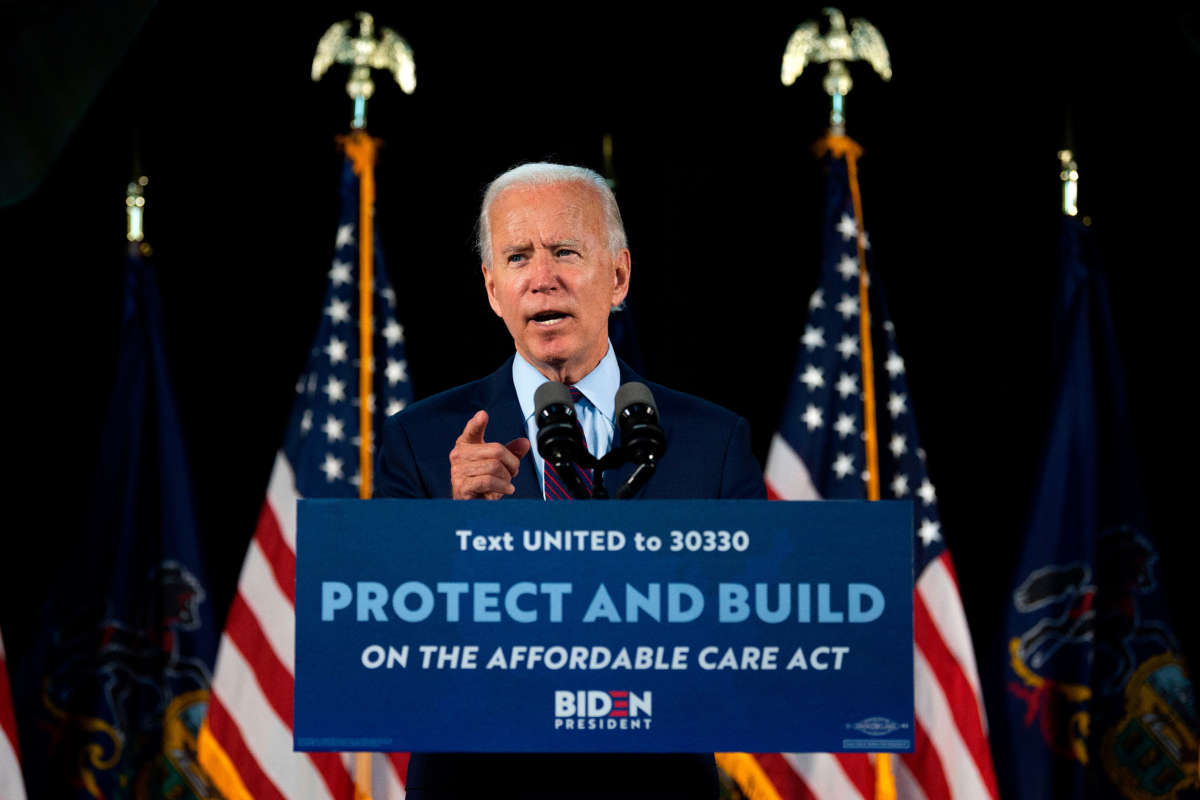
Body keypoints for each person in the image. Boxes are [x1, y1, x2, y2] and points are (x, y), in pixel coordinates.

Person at [376, 163, 765, 799]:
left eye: (564, 252)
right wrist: (446, 531)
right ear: (493, 288)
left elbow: (753, 635)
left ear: (618, 276)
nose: (541, 279)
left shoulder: (712, 443)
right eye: (517, 257)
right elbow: (383, 645)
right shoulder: (421, 442)